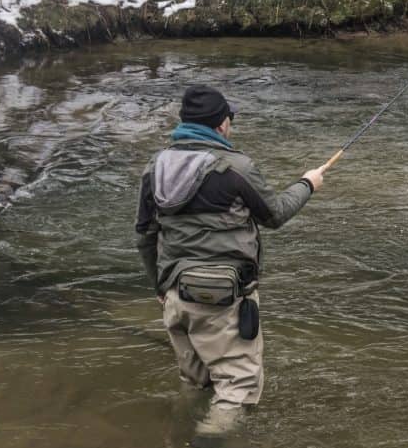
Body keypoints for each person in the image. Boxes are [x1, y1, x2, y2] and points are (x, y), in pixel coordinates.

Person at [135, 85, 324, 427]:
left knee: (195, 382)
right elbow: (275, 215)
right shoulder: (235, 167)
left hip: (175, 295)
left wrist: (160, 289)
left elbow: (145, 235)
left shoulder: (155, 166)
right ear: (221, 124)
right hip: (222, 299)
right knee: (237, 389)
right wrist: (307, 183)